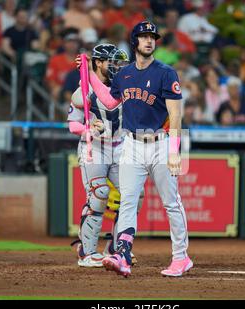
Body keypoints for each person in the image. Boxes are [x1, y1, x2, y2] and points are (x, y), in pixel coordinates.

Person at [78, 21, 193, 277]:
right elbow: (108, 101)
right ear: (135, 42)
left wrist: (176, 150)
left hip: (161, 143)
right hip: (130, 144)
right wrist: (88, 75)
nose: (149, 40)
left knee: (171, 203)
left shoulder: (166, 72)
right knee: (128, 202)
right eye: (143, 36)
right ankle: (122, 254)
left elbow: (176, 115)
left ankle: (181, 258)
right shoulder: (124, 74)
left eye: (152, 37)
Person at [68, 44, 139, 268]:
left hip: (120, 146)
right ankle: (87, 252)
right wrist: (87, 130)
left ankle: (117, 249)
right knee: (99, 194)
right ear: (98, 63)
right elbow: (72, 125)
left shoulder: (124, 85)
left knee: (133, 193)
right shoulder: (83, 91)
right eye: (112, 62)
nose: (117, 67)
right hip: (95, 148)